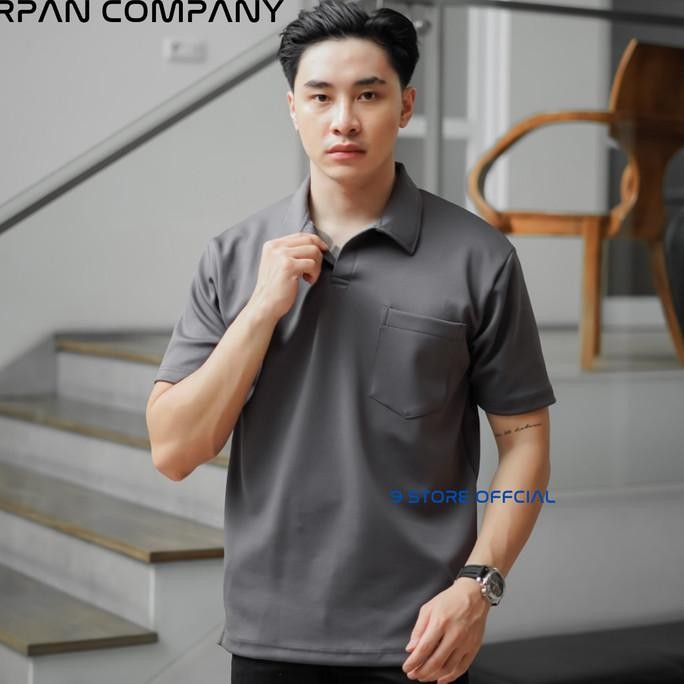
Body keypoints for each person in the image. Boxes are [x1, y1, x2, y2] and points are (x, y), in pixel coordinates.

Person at [146, 1, 556, 682]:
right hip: (269, 633)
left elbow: (526, 442)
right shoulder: (233, 256)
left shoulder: (480, 258)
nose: (344, 120)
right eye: (321, 96)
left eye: (369, 94)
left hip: (422, 638)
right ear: (293, 108)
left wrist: (478, 586)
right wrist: (260, 310)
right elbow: (174, 450)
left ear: (405, 105)